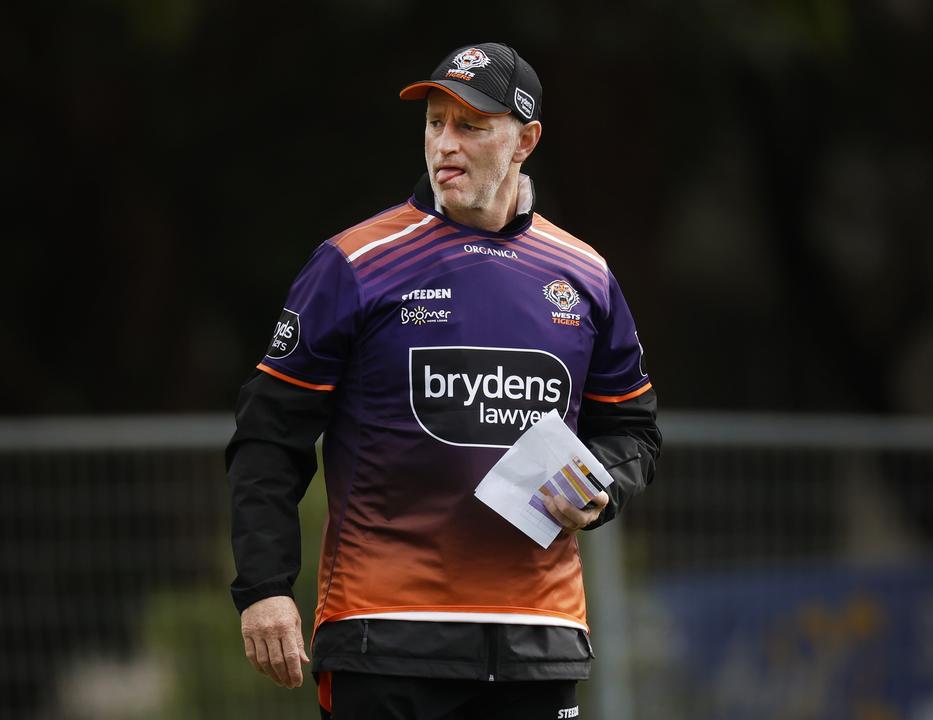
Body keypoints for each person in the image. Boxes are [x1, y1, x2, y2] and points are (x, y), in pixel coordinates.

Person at [226, 41, 662, 720]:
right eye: (435, 123)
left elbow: (633, 433)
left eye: (471, 126)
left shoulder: (586, 275)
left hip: (539, 645)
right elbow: (267, 436)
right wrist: (263, 587)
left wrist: (599, 487)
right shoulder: (353, 263)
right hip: (385, 637)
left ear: (525, 141)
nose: (445, 146)